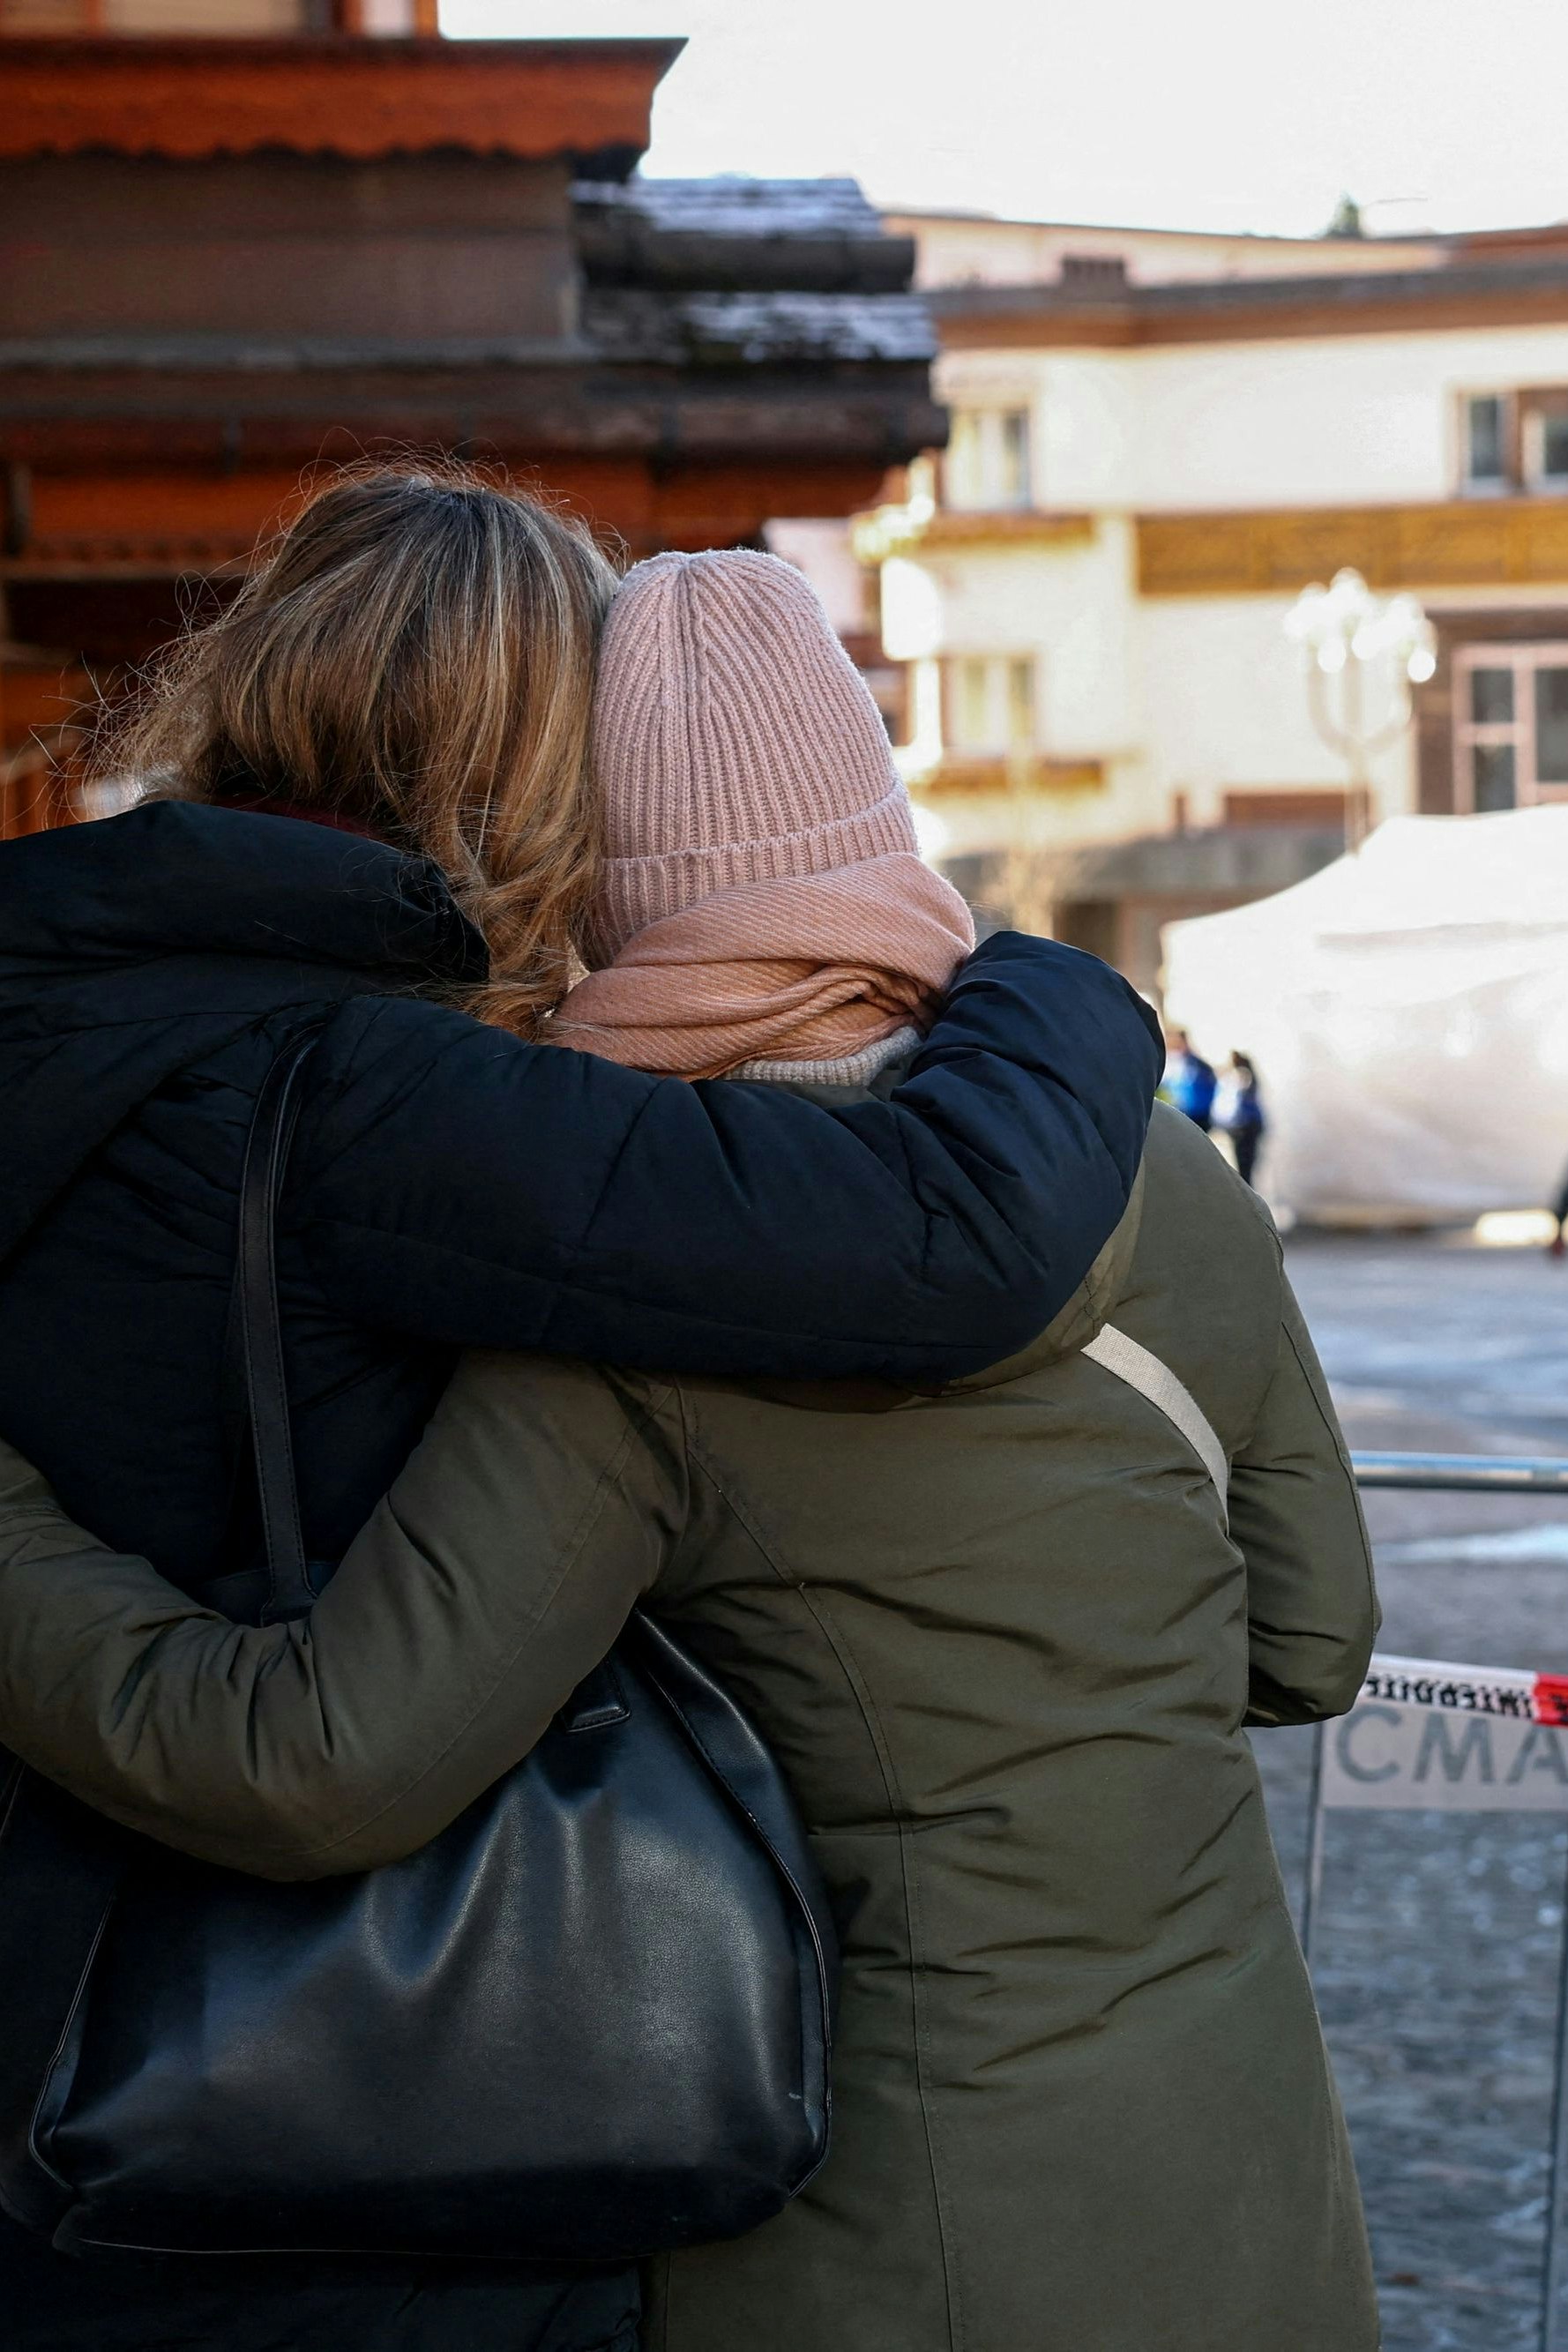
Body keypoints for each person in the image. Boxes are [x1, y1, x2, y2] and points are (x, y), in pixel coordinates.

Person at [0, 550, 1378, 2351]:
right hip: (1245, 2161)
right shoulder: (1164, 1179)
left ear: (604, 878)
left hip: (864, 2221)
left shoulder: (620, 1319)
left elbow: (334, 1755)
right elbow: (1311, 1643)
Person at [1213, 1049, 1266, 1186]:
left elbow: (1232, 1105)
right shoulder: (1245, 1076)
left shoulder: (1240, 1076)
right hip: (1245, 1126)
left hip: (1243, 1126)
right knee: (1245, 1165)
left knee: (1244, 1165)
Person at [1161, 1026, 1217, 1130]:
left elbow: (1210, 1086)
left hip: (1199, 1115)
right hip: (1178, 1113)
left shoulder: (1198, 1065)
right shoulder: (1169, 1063)